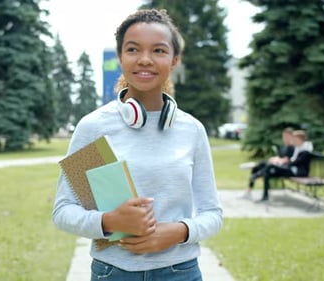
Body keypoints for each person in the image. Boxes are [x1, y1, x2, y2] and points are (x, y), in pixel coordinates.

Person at [52, 9, 223, 280]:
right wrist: (108, 222)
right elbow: (63, 211)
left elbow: (212, 213)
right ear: (120, 57)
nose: (145, 60)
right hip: (114, 272)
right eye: (133, 49)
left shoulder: (191, 130)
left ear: (174, 60)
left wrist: (179, 231)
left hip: (180, 272)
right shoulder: (94, 127)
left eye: (158, 50)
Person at [258, 130, 312, 201]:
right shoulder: (298, 148)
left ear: (300, 139)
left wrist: (285, 162)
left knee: (270, 167)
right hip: (291, 169)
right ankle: (265, 195)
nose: (293, 141)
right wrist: (284, 162)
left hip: (298, 172)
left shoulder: (305, 151)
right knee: (268, 172)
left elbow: (296, 162)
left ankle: (258, 174)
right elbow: (292, 161)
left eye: (295, 139)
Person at [242, 127, 295, 199]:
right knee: (260, 165)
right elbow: (280, 157)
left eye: (286, 137)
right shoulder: (284, 147)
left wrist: (277, 161)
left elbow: (287, 160)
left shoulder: (292, 148)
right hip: (277, 166)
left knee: (267, 171)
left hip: (283, 169)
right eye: (284, 136)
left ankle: (263, 191)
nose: (284, 138)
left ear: (291, 136)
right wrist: (273, 159)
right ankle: (249, 190)